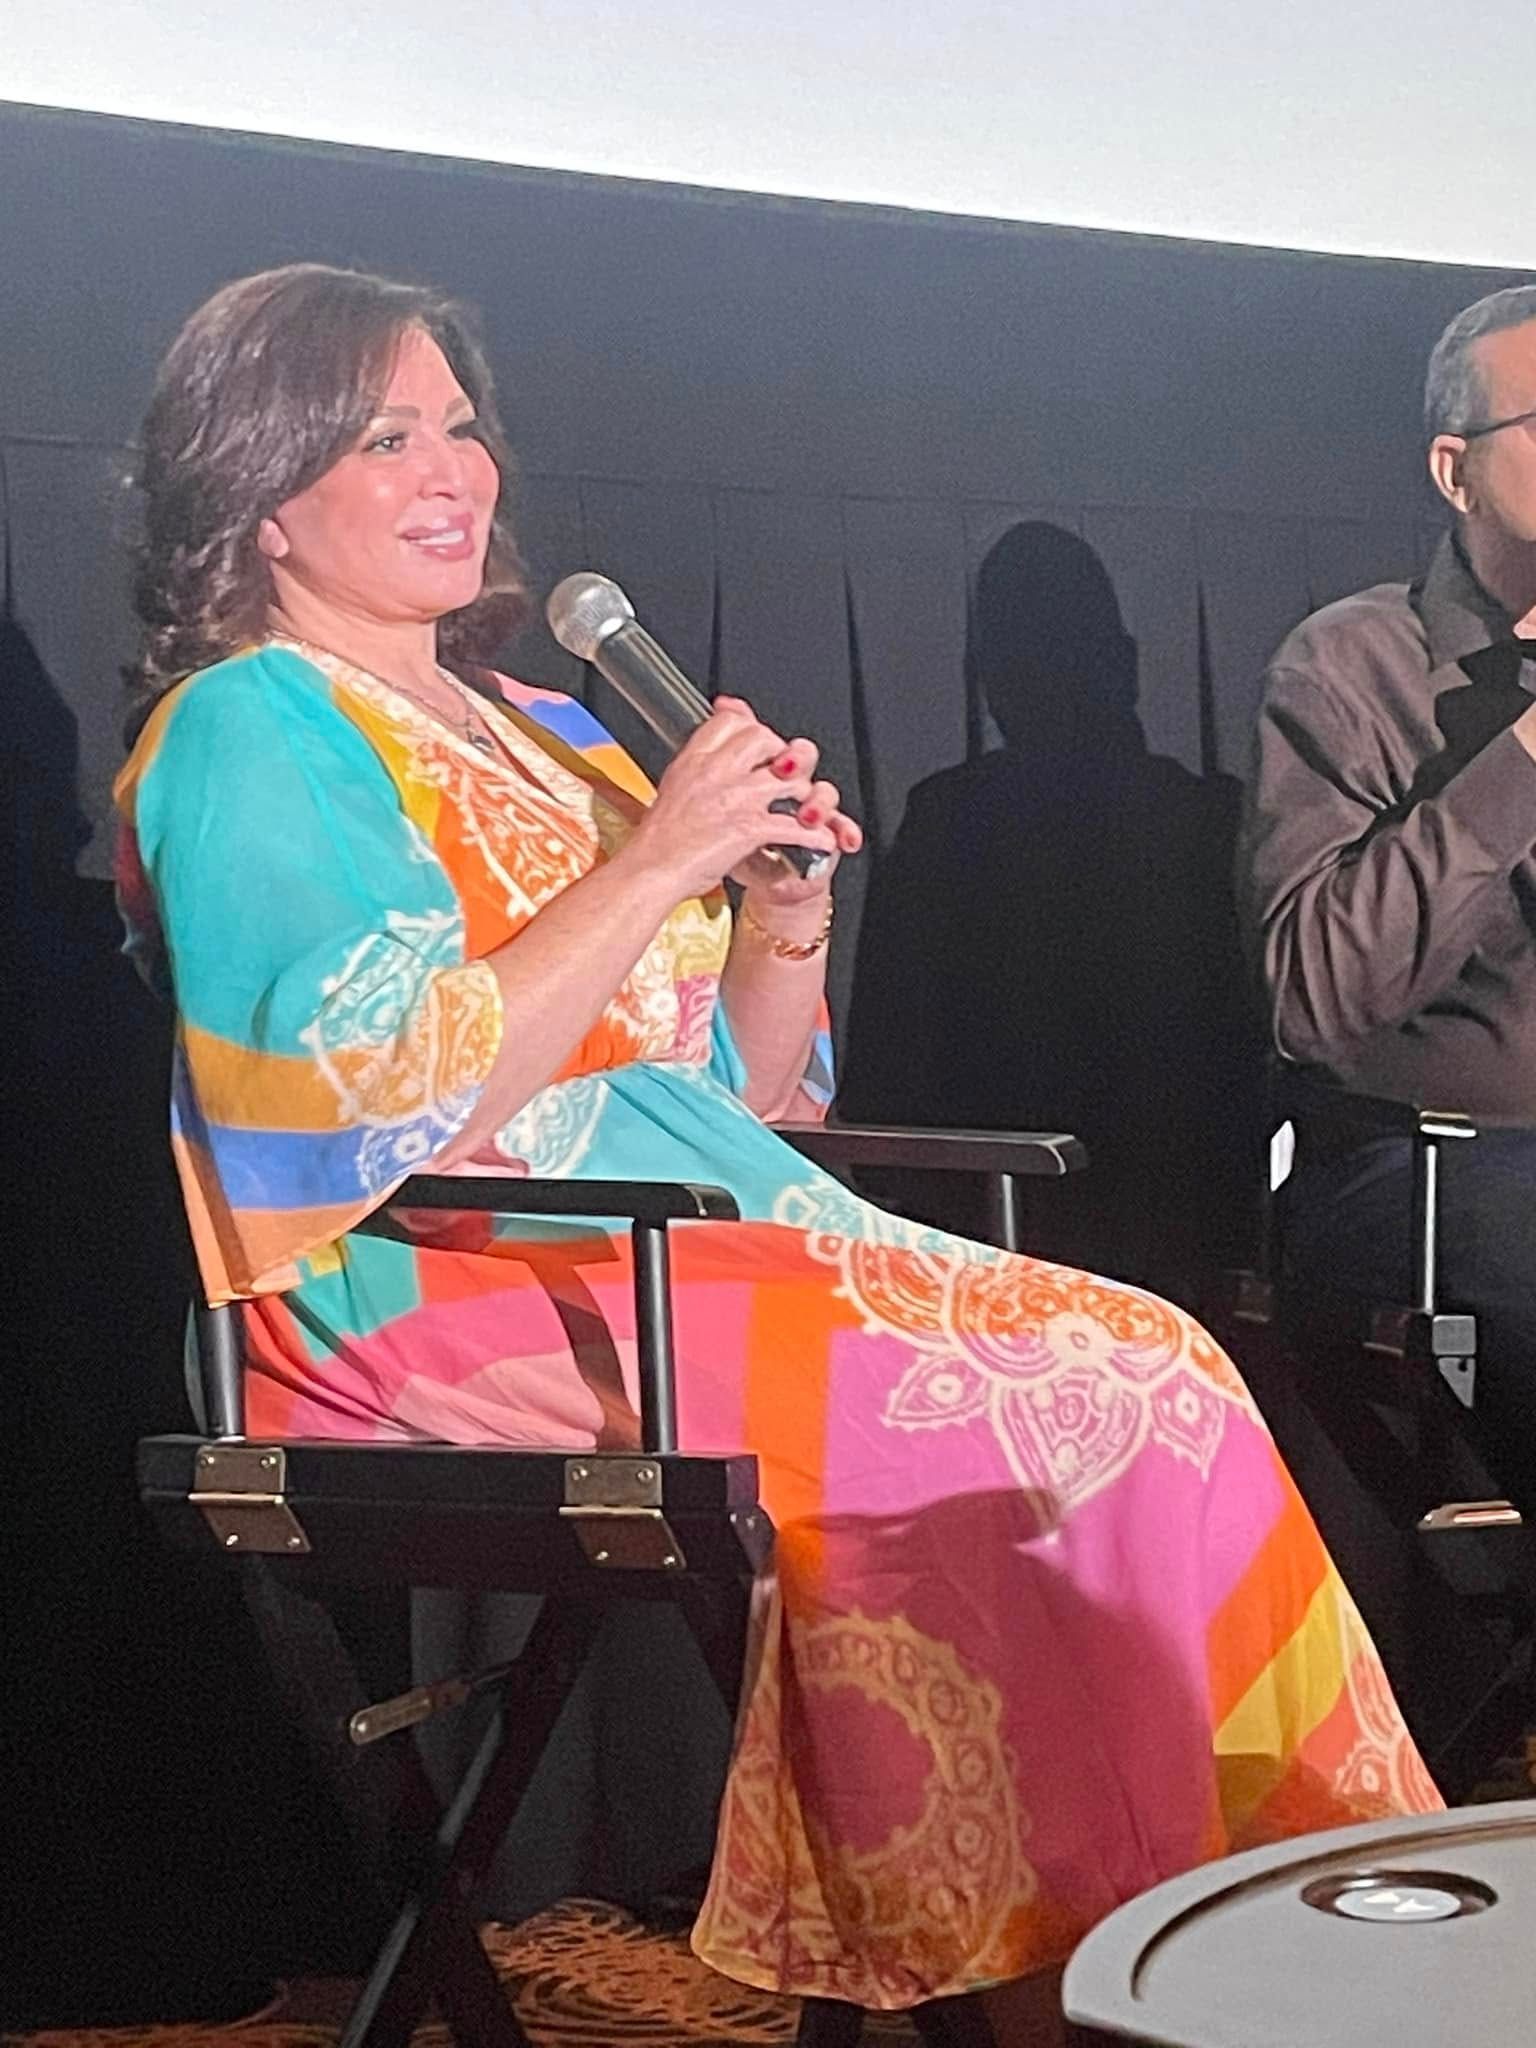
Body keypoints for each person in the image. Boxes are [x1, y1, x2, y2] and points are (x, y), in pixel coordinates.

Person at [116, 263, 1436, 2041]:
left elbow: (717, 1100)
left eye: (461, 424)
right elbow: (354, 1103)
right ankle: (1038, 1979)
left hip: (682, 1239)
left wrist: (781, 917)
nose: (454, 471)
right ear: (264, 494)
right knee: (1038, 1403)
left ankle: (1225, 1950)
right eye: (383, 437)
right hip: (437, 1277)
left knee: (1159, 1364)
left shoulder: (550, 725)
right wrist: (658, 862)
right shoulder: (246, 726)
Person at [1240, 283, 1536, 1521]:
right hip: (1434, 1171)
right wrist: (1520, 757)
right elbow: (1315, 994)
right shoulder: (1352, 666)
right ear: (1454, 469)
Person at [840, 522, 1260, 1300]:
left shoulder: (946, 821)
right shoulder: (1211, 821)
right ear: (1128, 664)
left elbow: (880, 1088)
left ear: (990, 684)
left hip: (986, 1253)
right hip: (1189, 1251)